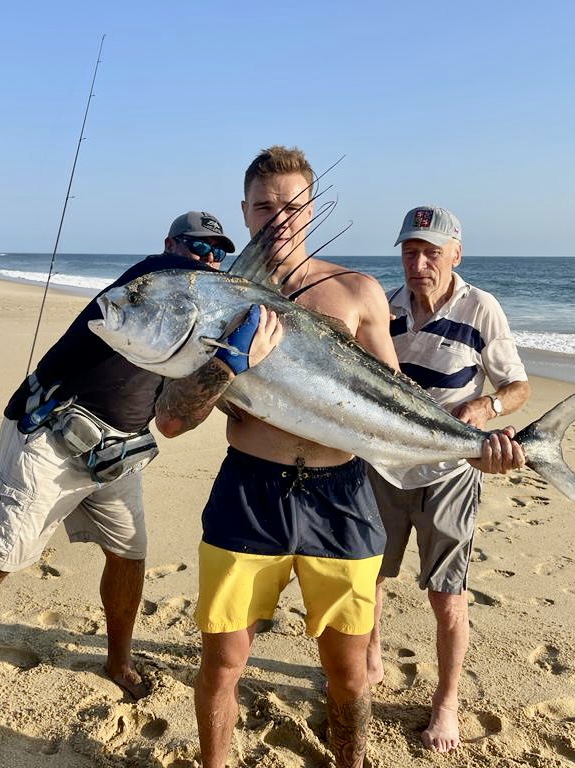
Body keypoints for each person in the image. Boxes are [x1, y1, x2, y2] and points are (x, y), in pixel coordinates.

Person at [0, 210, 237, 728]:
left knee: (130, 555)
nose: (208, 259)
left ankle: (118, 659)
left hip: (117, 451)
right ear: (169, 245)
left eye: (219, 252)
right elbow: (169, 277)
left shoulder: (201, 322)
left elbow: (176, 418)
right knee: (1, 557)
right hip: (48, 435)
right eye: (196, 247)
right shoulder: (150, 280)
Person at [155, 145, 402, 768]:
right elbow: (173, 420)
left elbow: (396, 398)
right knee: (224, 660)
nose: (279, 217)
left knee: (347, 672)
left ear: (311, 207)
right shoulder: (212, 300)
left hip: (341, 493)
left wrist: (473, 443)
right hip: (249, 489)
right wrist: (229, 364)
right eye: (264, 206)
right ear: (244, 213)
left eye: (292, 204)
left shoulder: (359, 292)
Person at [366, 205, 530, 753]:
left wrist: (486, 405)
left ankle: (447, 701)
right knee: (369, 579)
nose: (418, 263)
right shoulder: (384, 308)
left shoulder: (482, 308)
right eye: (410, 252)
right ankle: (370, 662)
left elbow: (518, 388)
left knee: (448, 596)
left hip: (451, 472)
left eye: (431, 252)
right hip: (384, 466)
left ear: (455, 254)